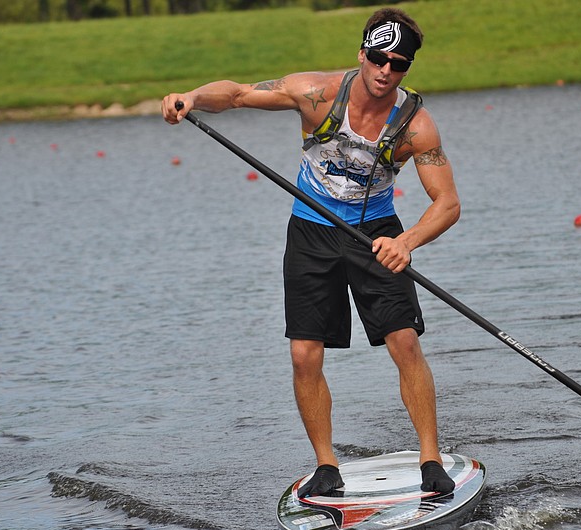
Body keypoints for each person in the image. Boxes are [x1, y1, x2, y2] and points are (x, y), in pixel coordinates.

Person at [162, 7, 460, 496]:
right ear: (362, 53)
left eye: (400, 64)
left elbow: (447, 203)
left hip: (377, 233)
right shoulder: (313, 93)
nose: (387, 71)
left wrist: (405, 243)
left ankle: (431, 459)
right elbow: (236, 94)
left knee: (403, 341)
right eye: (380, 58)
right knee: (304, 355)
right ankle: (327, 466)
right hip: (311, 231)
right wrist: (190, 97)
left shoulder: (416, 126)